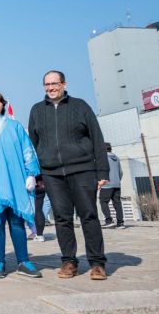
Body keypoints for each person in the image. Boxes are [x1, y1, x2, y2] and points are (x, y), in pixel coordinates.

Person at [28, 70, 109, 281]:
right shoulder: (37, 110)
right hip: (52, 174)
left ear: (64, 84)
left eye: (54, 83)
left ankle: (97, 263)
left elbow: (97, 138)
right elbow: (33, 144)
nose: (51, 87)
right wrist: (36, 173)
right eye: (47, 84)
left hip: (82, 170)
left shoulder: (80, 106)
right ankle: (69, 261)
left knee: (89, 216)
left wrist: (102, 170)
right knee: (62, 218)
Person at [0, 90, 43, 279]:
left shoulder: (15, 126)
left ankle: (23, 261)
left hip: (16, 181)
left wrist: (31, 174)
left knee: (17, 222)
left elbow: (28, 150)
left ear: (3, 105)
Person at [100, 143, 125, 229]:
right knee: (117, 203)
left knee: (103, 202)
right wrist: (117, 181)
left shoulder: (103, 158)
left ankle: (109, 221)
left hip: (106, 184)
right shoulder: (116, 158)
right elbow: (121, 172)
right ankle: (120, 223)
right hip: (117, 184)